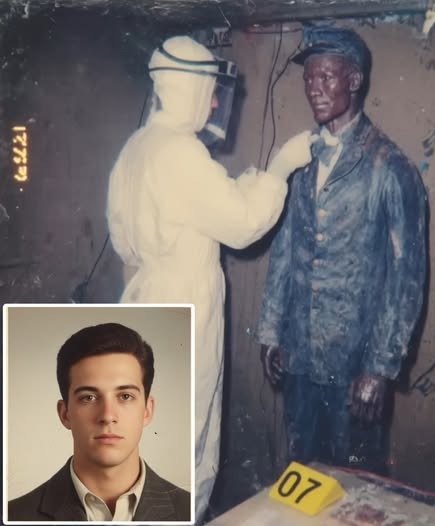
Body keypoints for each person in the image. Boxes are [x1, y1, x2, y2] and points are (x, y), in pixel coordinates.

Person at [106, 36, 313, 522]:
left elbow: (127, 242)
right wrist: (282, 167)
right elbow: (243, 224)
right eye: (210, 92)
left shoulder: (137, 148)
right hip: (186, 308)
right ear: (191, 90)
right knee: (186, 443)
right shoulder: (181, 153)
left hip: (143, 301)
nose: (217, 103)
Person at [257, 26, 427, 473]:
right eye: (309, 78)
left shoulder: (390, 167)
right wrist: (271, 331)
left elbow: (406, 279)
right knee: (301, 475)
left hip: (355, 369)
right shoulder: (301, 159)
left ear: (354, 80)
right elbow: (284, 250)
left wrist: (381, 368)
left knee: (355, 482)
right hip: (299, 360)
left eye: (326, 77)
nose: (314, 89)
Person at [8, 322, 190, 521]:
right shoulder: (13, 516)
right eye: (89, 397)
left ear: (147, 410)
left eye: (125, 396)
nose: (107, 415)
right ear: (65, 414)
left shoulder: (198, 512)